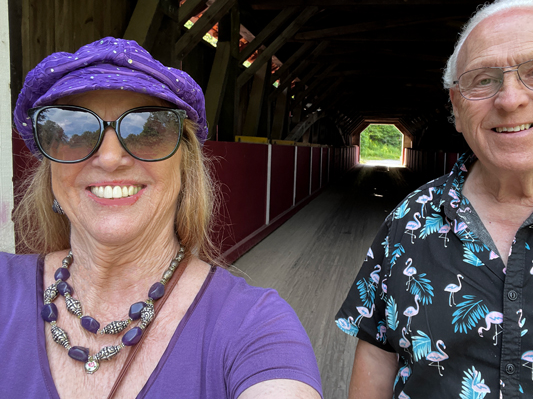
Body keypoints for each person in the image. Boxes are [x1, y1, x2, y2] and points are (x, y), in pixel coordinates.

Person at [2, 37, 323, 399]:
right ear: (51, 171)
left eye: (148, 130)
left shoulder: (256, 327)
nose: (109, 158)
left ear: (185, 166)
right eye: (74, 130)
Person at [335, 0, 533, 398]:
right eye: (483, 79)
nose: (510, 99)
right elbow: (377, 356)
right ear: (457, 109)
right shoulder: (408, 221)